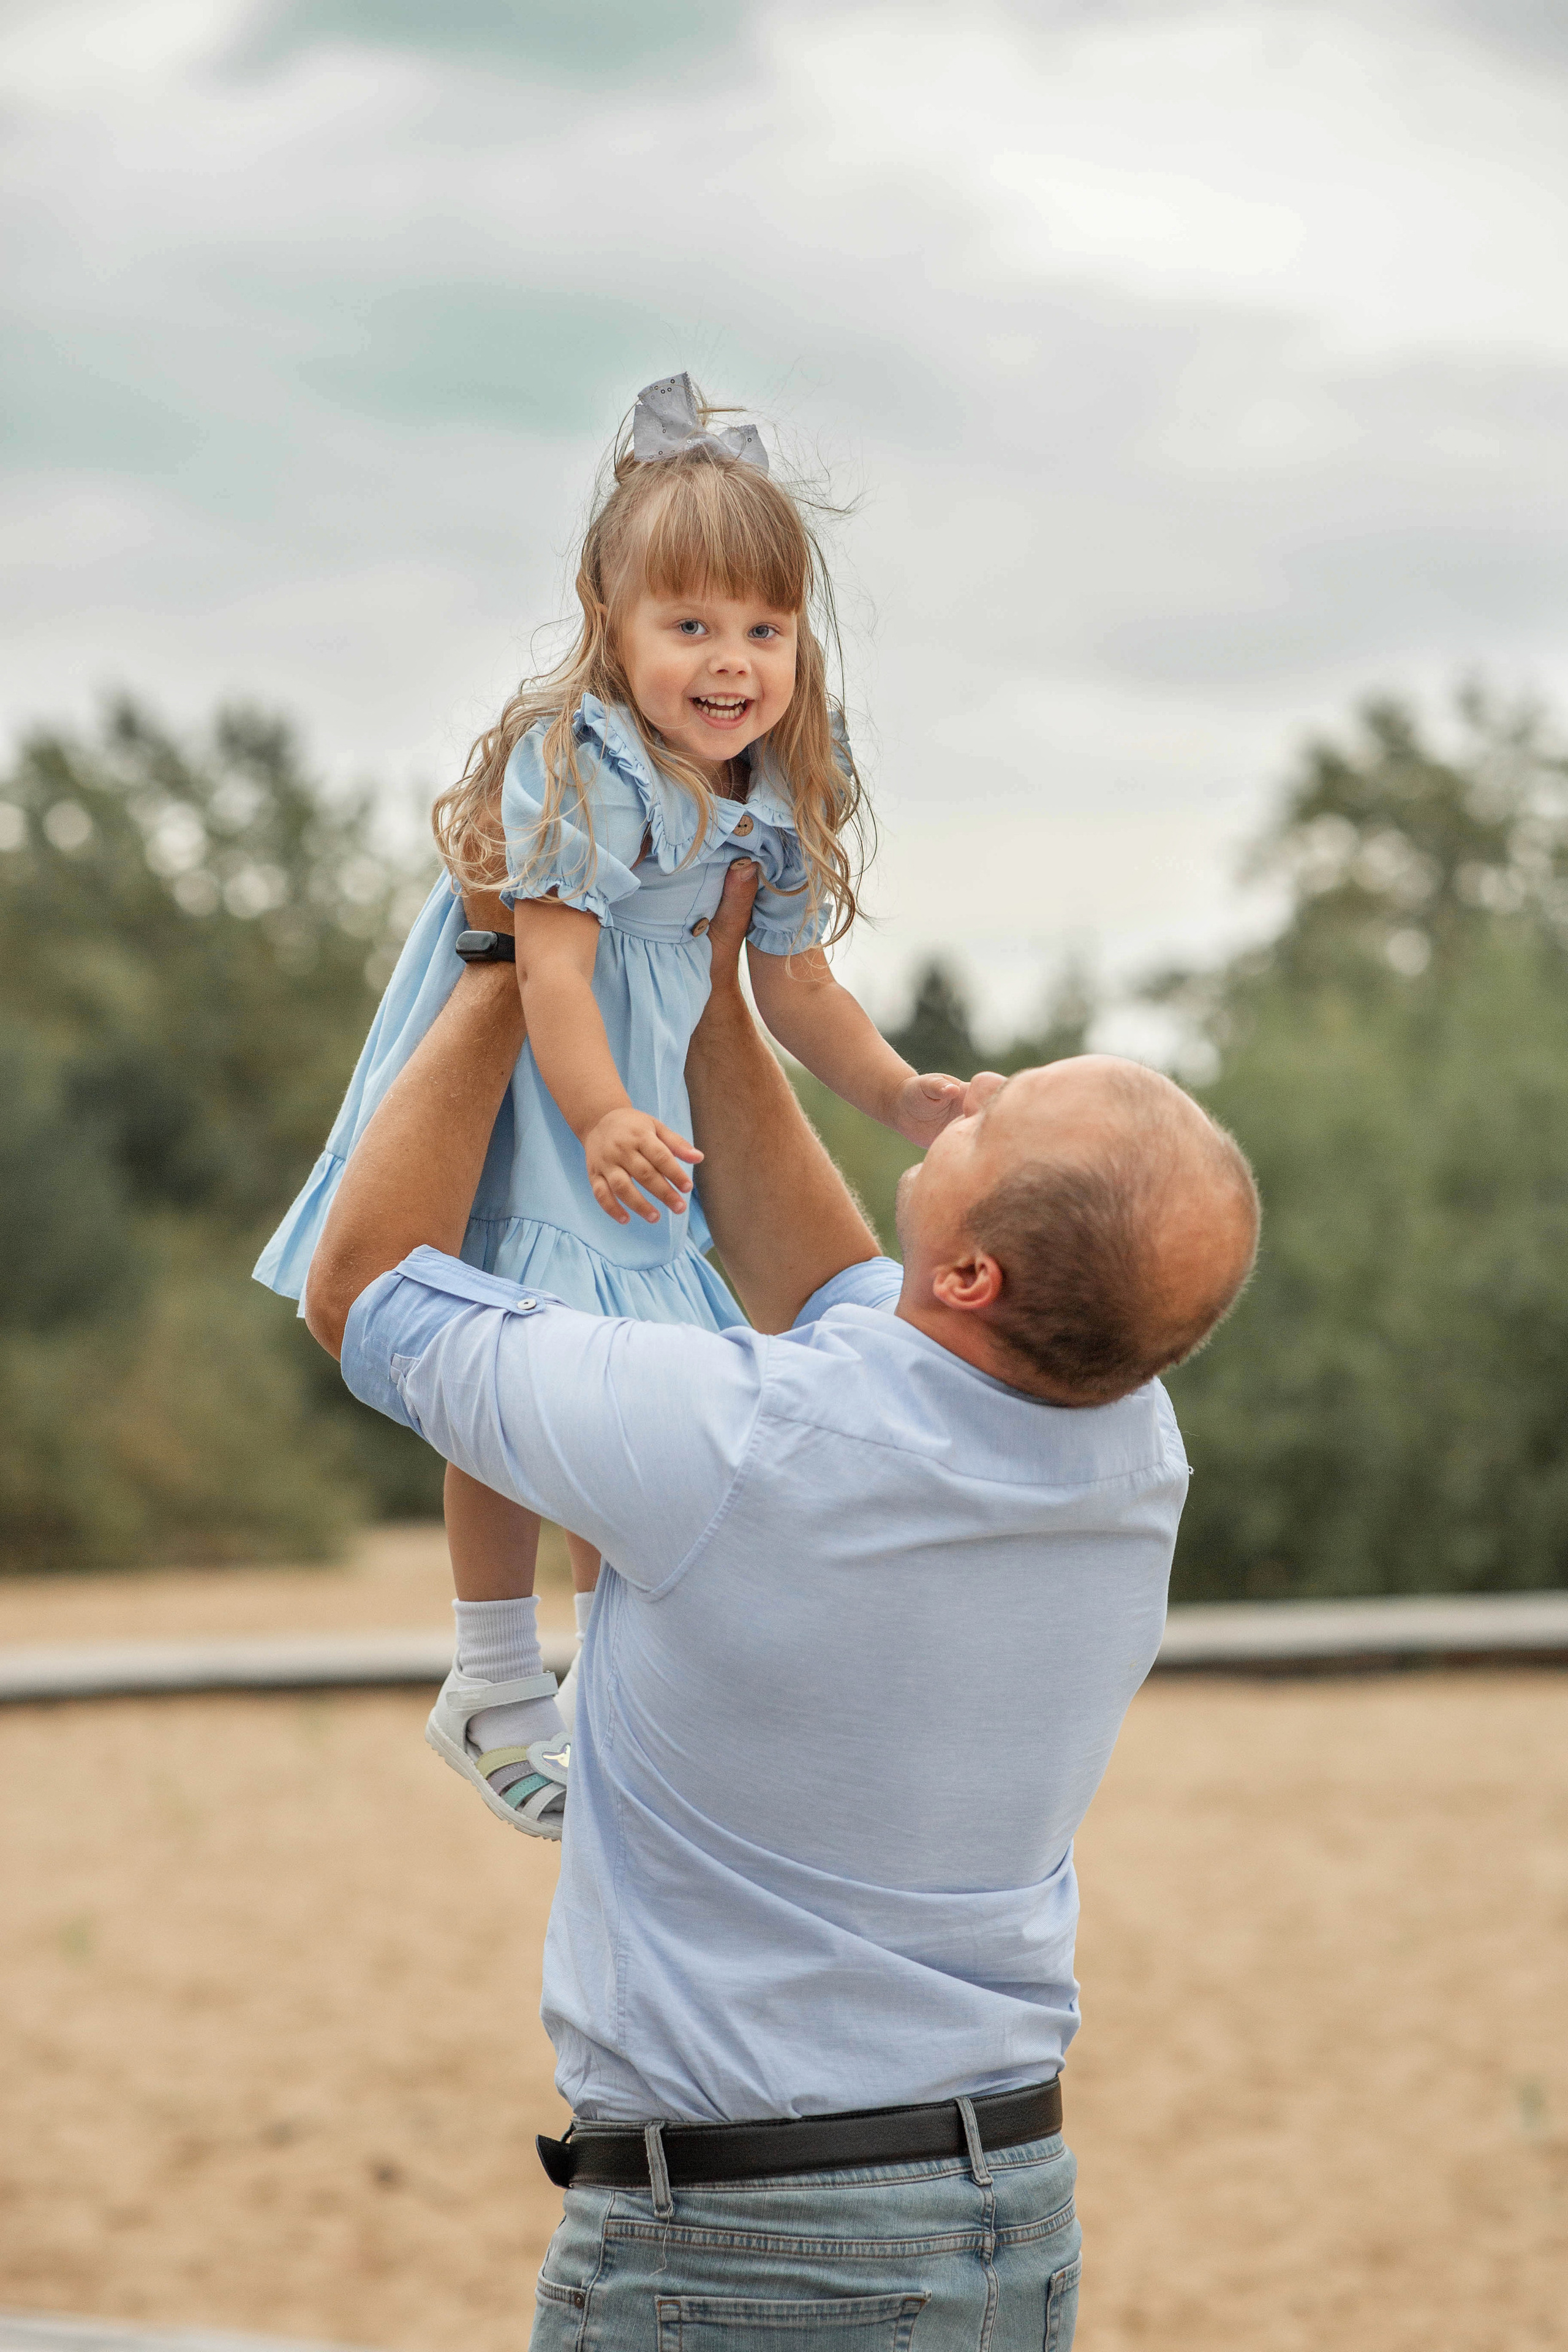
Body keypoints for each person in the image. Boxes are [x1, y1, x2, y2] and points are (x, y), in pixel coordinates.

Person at [303, 860, 1259, 2350]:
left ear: (967, 1270)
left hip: (749, 2252)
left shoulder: (737, 1443)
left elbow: (365, 1290)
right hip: (1005, 2214)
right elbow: (829, 1279)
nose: (982, 1083)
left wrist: (508, 948)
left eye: (1003, 1113)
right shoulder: (1127, 1452)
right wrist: (704, 981)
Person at [254, 374, 965, 1836]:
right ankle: (492, 1673)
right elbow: (549, 976)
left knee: (620, 1404)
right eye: (689, 624)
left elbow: (798, 993)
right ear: (609, 619)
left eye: (762, 629)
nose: (731, 661)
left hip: (639, 1125)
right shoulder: (576, 766)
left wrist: (904, 1098)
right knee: (503, 1377)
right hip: (540, 1110)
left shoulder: (764, 795)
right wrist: (594, 1124)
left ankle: (616, 1700)